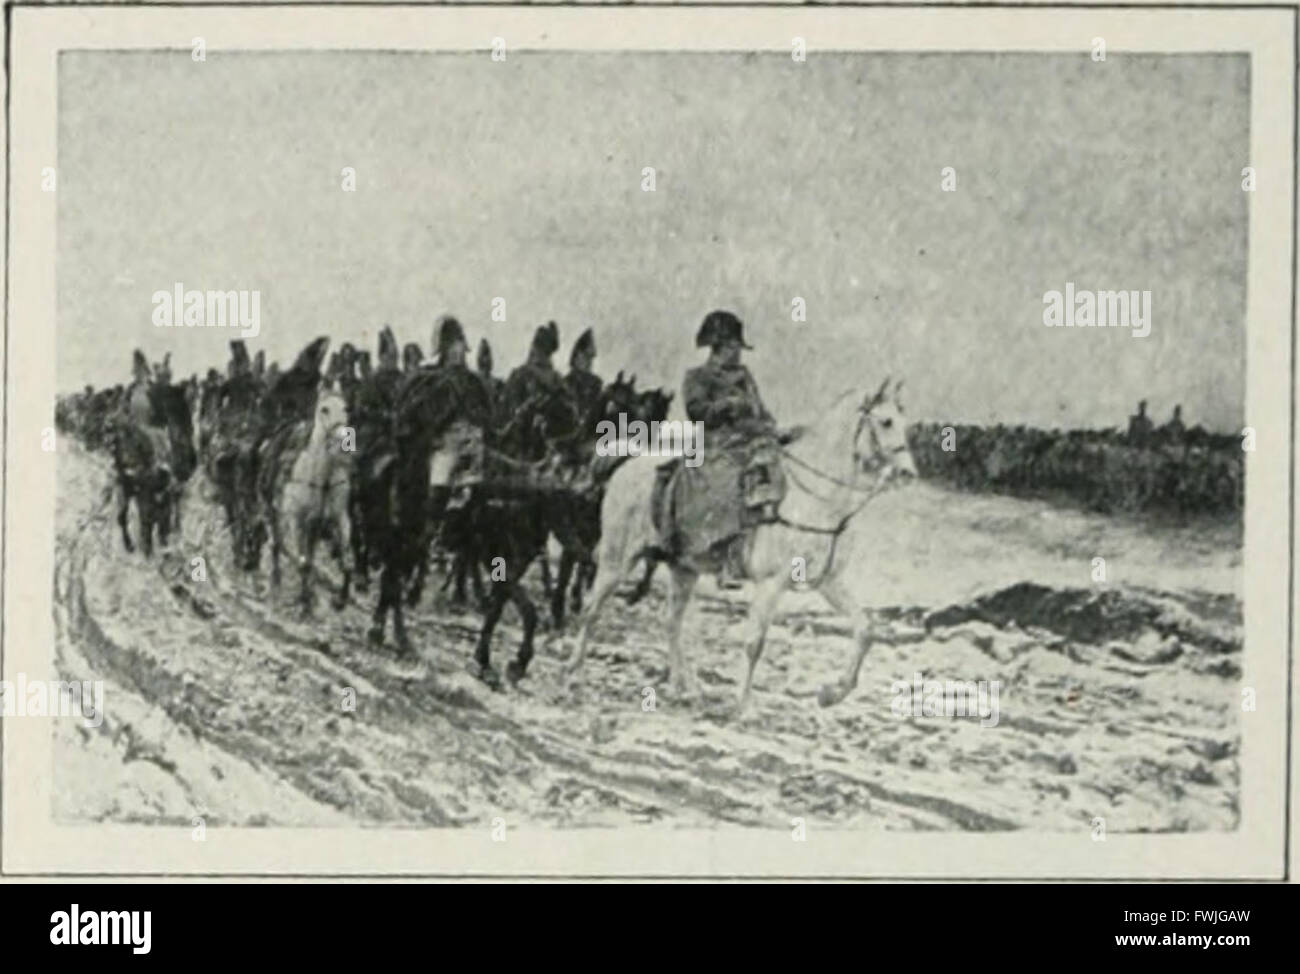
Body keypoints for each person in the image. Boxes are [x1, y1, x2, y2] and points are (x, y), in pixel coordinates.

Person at [669, 310, 785, 573]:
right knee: (732, 480)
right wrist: (727, 405)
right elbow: (697, 412)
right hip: (715, 446)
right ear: (718, 347)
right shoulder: (697, 376)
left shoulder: (745, 376)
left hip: (750, 442)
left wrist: (772, 427)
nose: (738, 353)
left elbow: (760, 409)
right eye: (733, 347)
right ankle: (724, 552)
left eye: (738, 347)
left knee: (780, 471)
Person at [565, 328, 605, 432]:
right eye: (586, 357)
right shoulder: (565, 383)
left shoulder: (596, 384)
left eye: (591, 358)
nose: (590, 362)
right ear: (577, 356)